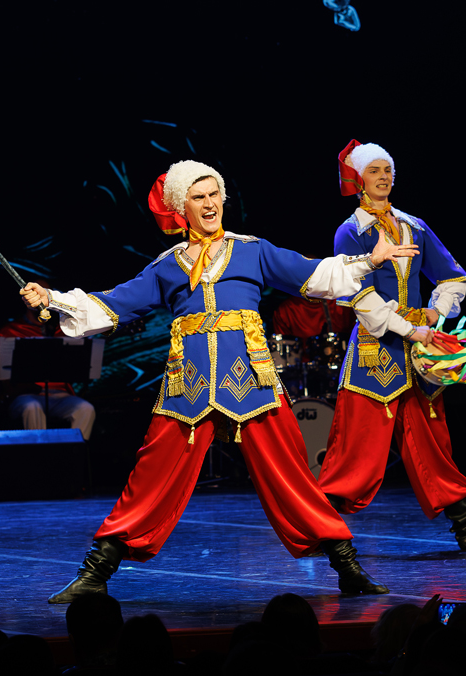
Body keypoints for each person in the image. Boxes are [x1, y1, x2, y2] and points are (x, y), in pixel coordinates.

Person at [22, 160, 420, 603]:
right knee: (149, 478)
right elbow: (113, 304)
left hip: (251, 382)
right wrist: (52, 298)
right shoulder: (168, 266)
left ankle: (347, 567)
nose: (210, 203)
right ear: (182, 207)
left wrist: (369, 261)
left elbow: (313, 274)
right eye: (199, 197)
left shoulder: (251, 250)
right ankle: (94, 572)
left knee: (294, 477)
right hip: (188, 387)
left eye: (215, 194)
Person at [317, 141, 466, 550]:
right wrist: (410, 329)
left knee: (433, 443)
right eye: (374, 171)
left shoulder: (414, 226)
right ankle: (320, 528)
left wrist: (435, 313)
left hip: (419, 353)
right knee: (356, 448)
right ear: (358, 180)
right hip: (374, 352)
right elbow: (359, 296)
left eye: (388, 170)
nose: (383, 177)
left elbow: (454, 276)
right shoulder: (351, 232)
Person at [0, 280, 96, 439]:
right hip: (24, 394)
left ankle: (73, 452)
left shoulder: (63, 330)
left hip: (60, 394)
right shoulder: (10, 330)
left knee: (85, 408)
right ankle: (38, 452)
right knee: (31, 407)